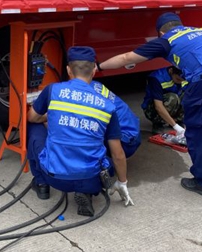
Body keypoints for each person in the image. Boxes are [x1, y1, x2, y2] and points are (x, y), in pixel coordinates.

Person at [98, 12, 202, 198]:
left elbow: (127, 58)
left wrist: (99, 67)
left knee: (199, 128)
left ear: (161, 32)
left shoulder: (167, 40)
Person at [27, 46, 134, 217]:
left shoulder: (53, 90)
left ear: (68, 70)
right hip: (91, 179)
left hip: (54, 177)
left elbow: (32, 117)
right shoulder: (107, 106)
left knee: (33, 125)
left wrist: (50, 117)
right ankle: (86, 192)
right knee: (105, 160)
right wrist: (122, 182)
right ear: (94, 70)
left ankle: (41, 184)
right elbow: (118, 154)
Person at [141, 66, 186, 135]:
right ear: (171, 71)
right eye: (177, 79)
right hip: (152, 109)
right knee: (172, 98)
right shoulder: (157, 78)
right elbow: (158, 106)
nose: (180, 82)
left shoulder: (186, 76)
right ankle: (159, 123)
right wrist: (176, 127)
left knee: (188, 95)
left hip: (173, 105)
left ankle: (177, 120)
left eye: (182, 80)